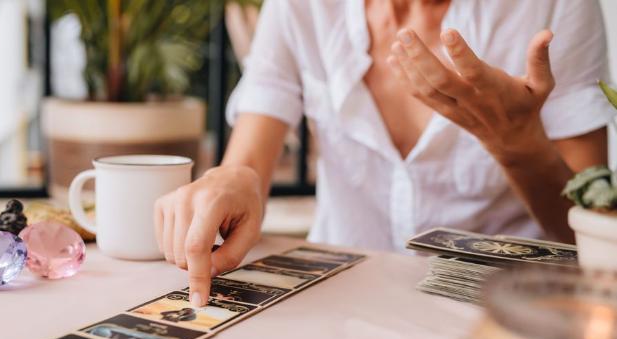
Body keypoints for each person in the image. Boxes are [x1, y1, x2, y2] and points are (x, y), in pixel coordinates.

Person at [153, 0, 614, 307]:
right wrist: (233, 178)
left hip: (502, 314)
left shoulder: (556, 7)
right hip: (340, 302)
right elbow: (249, 156)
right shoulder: (302, 7)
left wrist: (517, 145)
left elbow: (588, 236)